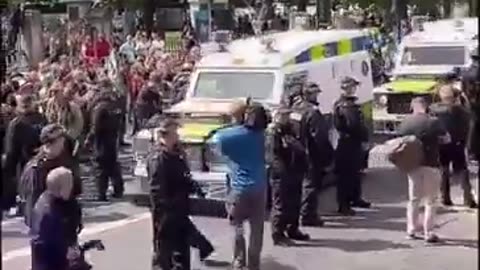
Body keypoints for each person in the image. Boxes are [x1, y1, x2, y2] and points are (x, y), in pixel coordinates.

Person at [209, 101, 268, 270]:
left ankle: (239, 261)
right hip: (259, 187)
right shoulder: (262, 135)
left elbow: (216, 142)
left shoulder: (231, 135)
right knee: (257, 229)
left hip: (239, 188)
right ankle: (253, 264)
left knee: (237, 225)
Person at [147, 118, 212, 270]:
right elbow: (157, 190)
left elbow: (183, 175)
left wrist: (192, 187)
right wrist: (167, 210)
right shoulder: (159, 158)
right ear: (167, 135)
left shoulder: (174, 153)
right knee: (163, 252)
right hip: (166, 212)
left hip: (179, 209)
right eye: (175, 132)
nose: (177, 136)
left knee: (181, 251)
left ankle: (202, 250)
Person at [398, 97, 450, 243]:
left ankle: (411, 230)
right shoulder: (433, 122)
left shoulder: (406, 122)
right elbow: (446, 139)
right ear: (426, 107)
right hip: (431, 164)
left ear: (412, 107)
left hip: (412, 164)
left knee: (413, 199)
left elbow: (399, 139)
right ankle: (428, 232)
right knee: (430, 200)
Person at [291, 82, 333, 226]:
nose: (317, 96)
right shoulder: (313, 112)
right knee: (310, 186)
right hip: (309, 154)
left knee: (296, 185)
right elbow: (319, 137)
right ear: (309, 94)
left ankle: (296, 214)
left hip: (294, 153)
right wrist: (327, 156)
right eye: (315, 93)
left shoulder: (295, 109)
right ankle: (308, 216)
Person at [267, 106, 309, 246]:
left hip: (294, 171)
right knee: (281, 205)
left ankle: (293, 229)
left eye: (287, 115)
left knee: (294, 203)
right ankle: (277, 234)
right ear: (276, 116)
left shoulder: (290, 128)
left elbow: (298, 147)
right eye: (283, 115)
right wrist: (281, 172)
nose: (286, 118)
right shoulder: (273, 132)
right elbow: (273, 156)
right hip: (281, 174)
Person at [429, 85, 477, 208]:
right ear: (454, 96)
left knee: (444, 171)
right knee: (462, 171)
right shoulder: (461, 111)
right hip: (458, 144)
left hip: (441, 145)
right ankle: (468, 199)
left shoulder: (434, 110)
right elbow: (469, 121)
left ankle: (445, 197)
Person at [333, 77, 371, 216]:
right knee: (346, 175)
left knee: (355, 172)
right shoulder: (345, 105)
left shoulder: (350, 103)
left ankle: (355, 198)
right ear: (345, 88)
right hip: (348, 143)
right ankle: (344, 204)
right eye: (352, 86)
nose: (354, 89)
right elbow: (354, 125)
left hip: (353, 142)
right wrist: (364, 138)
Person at [3, 94, 47, 212]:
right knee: (26, 183)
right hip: (26, 158)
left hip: (31, 157)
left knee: (29, 183)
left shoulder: (38, 119)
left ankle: (27, 205)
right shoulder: (19, 123)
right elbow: (11, 146)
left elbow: (45, 135)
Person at [30, 167, 78, 270]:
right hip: (50, 261)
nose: (72, 187)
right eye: (69, 184)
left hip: (60, 255)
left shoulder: (64, 201)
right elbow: (50, 241)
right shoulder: (48, 212)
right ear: (59, 188)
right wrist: (69, 249)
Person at [86, 87, 124, 201]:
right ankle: (118, 190)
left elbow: (95, 127)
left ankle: (101, 193)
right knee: (113, 165)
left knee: (100, 167)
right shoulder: (115, 107)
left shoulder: (100, 108)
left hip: (101, 140)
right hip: (112, 138)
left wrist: (89, 139)